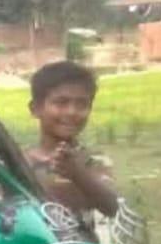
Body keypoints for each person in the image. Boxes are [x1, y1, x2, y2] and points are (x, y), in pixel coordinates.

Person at [23, 61, 118, 232]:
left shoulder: (94, 161)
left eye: (82, 104)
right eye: (61, 103)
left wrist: (78, 174)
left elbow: (111, 207)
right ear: (35, 108)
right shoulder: (19, 162)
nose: (72, 112)